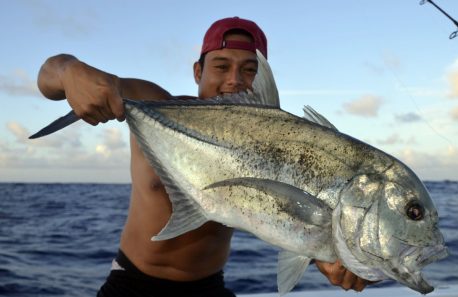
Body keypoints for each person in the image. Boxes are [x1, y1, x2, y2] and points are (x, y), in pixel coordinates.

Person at [37, 17, 371, 296]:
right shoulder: (156, 103)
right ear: (198, 71)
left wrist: (329, 254)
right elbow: (47, 78)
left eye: (250, 70)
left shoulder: (279, 144)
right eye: (222, 65)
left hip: (210, 287)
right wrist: (70, 71)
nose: (235, 80)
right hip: (132, 283)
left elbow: (285, 210)